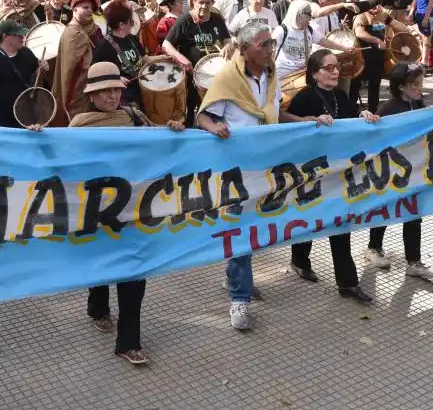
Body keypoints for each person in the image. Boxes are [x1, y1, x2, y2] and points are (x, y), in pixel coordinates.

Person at [59, 61, 184, 364]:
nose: (112, 96)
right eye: (105, 91)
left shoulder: (132, 115)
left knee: (134, 271)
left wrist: (172, 130)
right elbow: (60, 162)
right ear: (92, 95)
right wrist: (37, 136)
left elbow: (156, 141)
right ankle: (98, 307)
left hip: (134, 208)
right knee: (101, 262)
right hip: (96, 209)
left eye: (116, 89)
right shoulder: (79, 126)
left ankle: (129, 342)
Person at [196, 22, 288, 330]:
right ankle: (239, 297)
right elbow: (203, 115)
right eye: (264, 45)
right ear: (246, 50)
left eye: (271, 44)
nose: (270, 49)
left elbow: (275, 113)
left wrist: (309, 120)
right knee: (240, 230)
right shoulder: (226, 78)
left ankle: (237, 277)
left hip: (268, 167)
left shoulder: (273, 75)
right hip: (236, 170)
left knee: (257, 229)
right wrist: (214, 127)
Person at [286, 48, 384, 297]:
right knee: (309, 219)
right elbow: (287, 128)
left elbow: (350, 121)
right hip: (311, 173)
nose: (335, 71)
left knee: (341, 223)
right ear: (314, 73)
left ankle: (348, 283)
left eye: (337, 67)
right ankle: (299, 260)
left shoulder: (341, 94)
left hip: (339, 173)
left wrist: (363, 116)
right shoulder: (305, 97)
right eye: (328, 68)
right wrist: (311, 122)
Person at [366, 62, 433, 279]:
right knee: (386, 209)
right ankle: (374, 247)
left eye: (420, 84)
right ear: (401, 86)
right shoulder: (389, 109)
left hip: (415, 171)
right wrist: (369, 118)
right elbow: (374, 133)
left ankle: (414, 262)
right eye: (414, 85)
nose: (419, 89)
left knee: (413, 214)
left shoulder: (418, 104)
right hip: (392, 171)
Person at [163, 0, 233, 125]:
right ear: (194, 2)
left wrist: (228, 46)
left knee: (215, 112)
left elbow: (227, 39)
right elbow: (166, 45)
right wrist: (183, 60)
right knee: (190, 110)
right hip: (192, 74)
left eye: (208, 3)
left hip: (215, 75)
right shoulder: (185, 20)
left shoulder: (217, 19)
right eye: (201, 2)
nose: (204, 6)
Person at [0, 19, 48, 127]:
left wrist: (43, 67)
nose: (22, 37)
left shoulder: (26, 53)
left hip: (24, 114)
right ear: (5, 36)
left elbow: (37, 71)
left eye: (22, 34)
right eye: (17, 35)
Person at [349, 0, 410, 113]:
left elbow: (400, 27)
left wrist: (407, 30)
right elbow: (359, 33)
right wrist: (377, 40)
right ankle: (351, 114)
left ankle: (374, 112)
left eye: (378, 2)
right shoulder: (361, 16)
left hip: (378, 57)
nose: (375, 6)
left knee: (375, 86)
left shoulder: (383, 15)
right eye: (373, 2)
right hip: (361, 58)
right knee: (355, 87)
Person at [93, 0, 157, 109]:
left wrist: (164, 58)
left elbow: (145, 59)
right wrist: (117, 78)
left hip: (141, 89)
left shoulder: (133, 39)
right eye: (131, 21)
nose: (133, 24)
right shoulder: (105, 46)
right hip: (123, 98)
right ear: (121, 25)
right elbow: (96, 71)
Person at [52, 0, 104, 126]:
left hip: (96, 85)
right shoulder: (73, 33)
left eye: (91, 8)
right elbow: (73, 70)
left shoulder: (94, 29)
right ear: (74, 10)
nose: (90, 11)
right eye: (85, 7)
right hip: (80, 90)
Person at [272, 0, 354, 82]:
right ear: (300, 15)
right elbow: (269, 52)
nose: (310, 18)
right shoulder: (281, 31)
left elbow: (325, 42)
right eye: (309, 14)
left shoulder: (309, 31)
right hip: (283, 76)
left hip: (302, 74)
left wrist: (345, 49)